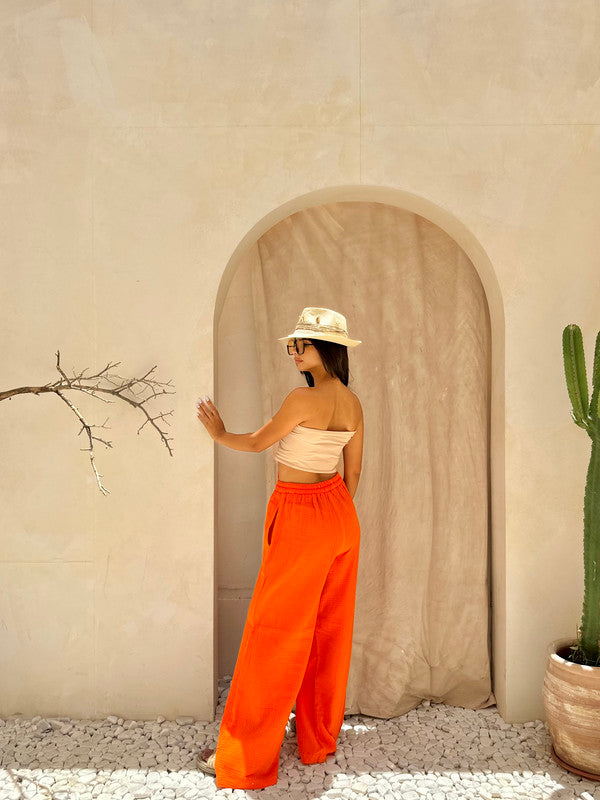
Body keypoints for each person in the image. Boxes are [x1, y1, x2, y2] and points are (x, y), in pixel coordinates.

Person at [195, 306, 363, 789]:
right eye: (292, 345)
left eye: (301, 345)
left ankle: (245, 755)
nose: (294, 352)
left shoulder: (302, 398)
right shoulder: (353, 403)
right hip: (339, 515)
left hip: (300, 513)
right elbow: (353, 473)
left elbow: (257, 444)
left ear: (325, 349)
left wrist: (219, 433)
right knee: (328, 630)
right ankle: (317, 739)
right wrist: (330, 514)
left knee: (272, 633)